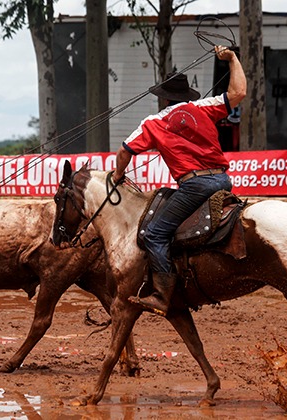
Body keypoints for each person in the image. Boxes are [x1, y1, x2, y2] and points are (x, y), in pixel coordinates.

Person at [111, 45, 246, 316]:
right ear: (186, 94)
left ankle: (162, 295)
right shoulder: (204, 106)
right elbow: (239, 92)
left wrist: (118, 175)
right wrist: (232, 58)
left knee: (155, 233)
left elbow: (125, 150)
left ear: (164, 98)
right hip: (222, 181)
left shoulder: (153, 122)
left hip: (195, 185)